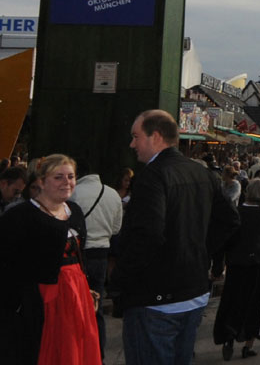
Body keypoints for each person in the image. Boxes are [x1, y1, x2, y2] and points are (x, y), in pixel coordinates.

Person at [113, 109, 240, 365]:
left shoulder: (153, 176)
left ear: (155, 136)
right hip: (192, 293)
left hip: (156, 298)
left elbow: (147, 234)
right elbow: (230, 220)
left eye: (136, 136)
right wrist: (198, 251)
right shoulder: (202, 173)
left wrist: (120, 279)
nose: (132, 144)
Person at [0, 154, 101, 364]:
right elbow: (8, 262)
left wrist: (87, 288)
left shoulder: (75, 212)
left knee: (75, 347)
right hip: (40, 297)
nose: (67, 182)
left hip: (76, 293)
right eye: (58, 177)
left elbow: (80, 254)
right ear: (40, 181)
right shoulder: (19, 216)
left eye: (71, 176)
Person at [214, 178, 260, 360]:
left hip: (237, 261)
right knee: (255, 302)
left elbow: (227, 238)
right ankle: (248, 343)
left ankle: (229, 336)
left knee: (233, 299)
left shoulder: (236, 212)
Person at [67, 156, 123, 356]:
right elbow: (116, 229)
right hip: (102, 255)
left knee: (72, 309)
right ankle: (98, 353)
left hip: (77, 256)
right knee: (95, 308)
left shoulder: (72, 193)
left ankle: (78, 353)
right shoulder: (113, 195)